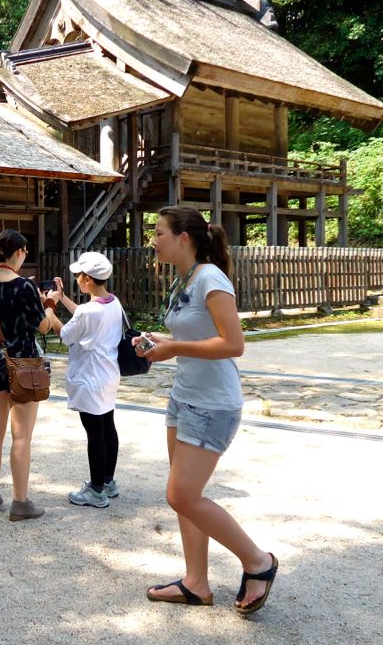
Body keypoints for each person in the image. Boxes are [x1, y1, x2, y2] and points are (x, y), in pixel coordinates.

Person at [139, 206, 277, 615]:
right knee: (185, 497)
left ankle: (258, 561)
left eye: (159, 232)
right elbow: (192, 334)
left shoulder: (211, 279)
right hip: (184, 396)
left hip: (213, 404)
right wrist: (158, 340)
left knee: (181, 495)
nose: (153, 240)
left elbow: (233, 343)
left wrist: (175, 348)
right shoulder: (184, 279)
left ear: (184, 238)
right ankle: (196, 583)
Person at [0, 229, 53, 522]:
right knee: (21, 436)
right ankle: (20, 502)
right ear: (19, 252)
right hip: (23, 367)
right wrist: (48, 303)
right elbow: (43, 327)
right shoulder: (25, 287)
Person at [43, 252, 123, 509]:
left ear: (87, 279)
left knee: (94, 434)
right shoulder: (112, 302)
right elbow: (84, 315)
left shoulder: (89, 312)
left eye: (79, 275)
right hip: (108, 374)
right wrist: (63, 297)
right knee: (107, 427)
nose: (77, 278)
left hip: (89, 378)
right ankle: (108, 481)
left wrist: (50, 305)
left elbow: (65, 335)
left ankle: (96, 490)